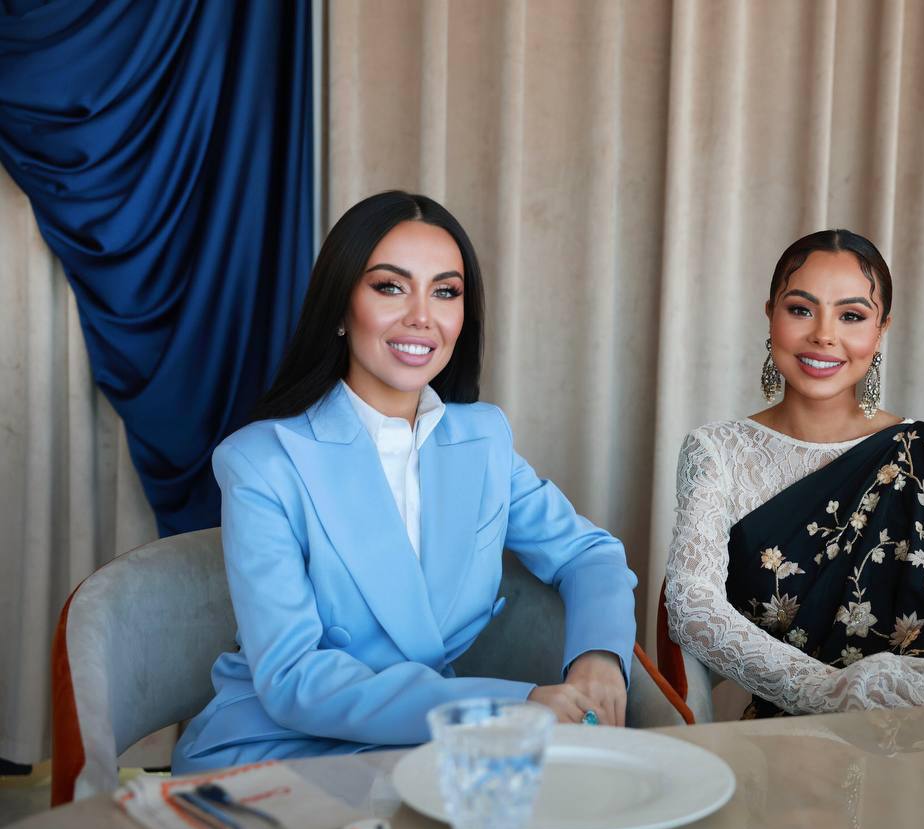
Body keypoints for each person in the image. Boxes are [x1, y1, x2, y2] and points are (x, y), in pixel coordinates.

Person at [174, 191, 636, 773]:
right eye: (391, 287)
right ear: (340, 307)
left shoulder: (483, 438)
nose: (422, 316)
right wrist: (506, 707)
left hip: (419, 742)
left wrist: (597, 659)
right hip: (282, 746)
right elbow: (292, 678)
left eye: (445, 292)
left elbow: (589, 553)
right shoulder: (262, 461)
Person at [663, 230, 924, 720]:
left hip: (923, 726)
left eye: (851, 316)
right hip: (790, 733)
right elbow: (692, 608)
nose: (824, 335)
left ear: (881, 329)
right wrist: (833, 694)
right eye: (801, 309)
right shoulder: (717, 451)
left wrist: (891, 704)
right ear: (770, 314)